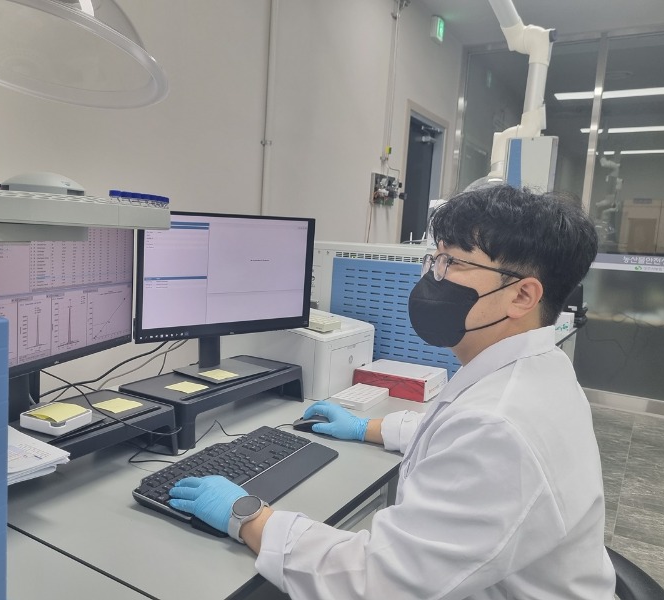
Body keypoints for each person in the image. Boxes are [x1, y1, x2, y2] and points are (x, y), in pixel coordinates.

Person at [168, 184, 616, 599]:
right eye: (435, 259)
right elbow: (456, 437)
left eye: (454, 263)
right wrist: (367, 427)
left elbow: (377, 582)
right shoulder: (536, 370)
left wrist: (250, 516)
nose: (434, 277)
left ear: (522, 296)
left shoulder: (498, 424)